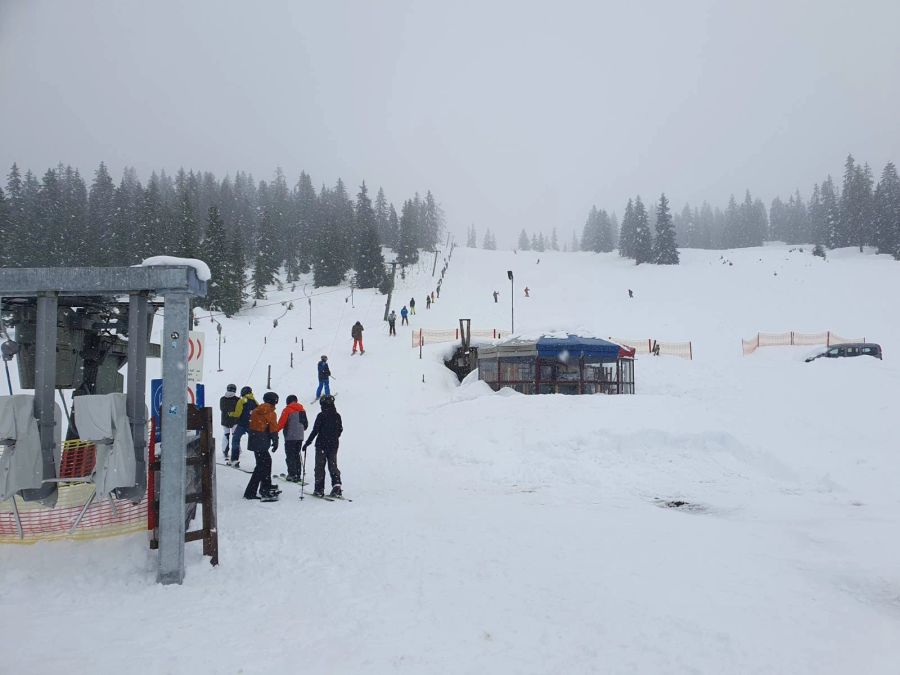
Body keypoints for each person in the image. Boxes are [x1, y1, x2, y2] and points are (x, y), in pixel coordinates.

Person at [303, 394, 343, 498]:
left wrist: (308, 442)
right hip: (334, 444)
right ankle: (337, 486)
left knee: (319, 467)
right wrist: (333, 436)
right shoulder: (337, 415)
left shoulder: (321, 415)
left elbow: (315, 430)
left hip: (321, 444)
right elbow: (340, 430)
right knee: (333, 465)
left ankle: (319, 489)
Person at [244, 391, 280, 500]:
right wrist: (275, 441)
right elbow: (273, 428)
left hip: (255, 439)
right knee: (261, 466)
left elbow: (249, 423)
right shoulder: (270, 412)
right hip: (262, 440)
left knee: (265, 462)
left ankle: (266, 485)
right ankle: (251, 492)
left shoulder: (256, 410)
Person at [277, 395, 308, 482]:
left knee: (290, 455)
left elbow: (281, 423)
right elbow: (305, 425)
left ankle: (292, 474)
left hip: (290, 436)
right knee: (296, 454)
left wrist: (274, 431)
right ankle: (298, 474)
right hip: (300, 437)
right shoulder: (302, 410)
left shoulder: (287, 410)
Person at [228, 386, 257, 467]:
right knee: (255, 443)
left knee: (235, 440)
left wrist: (231, 414)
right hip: (252, 425)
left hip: (242, 424)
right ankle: (260, 461)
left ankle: (234, 460)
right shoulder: (255, 401)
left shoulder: (242, 400)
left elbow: (237, 413)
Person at [219, 384, 238, 462]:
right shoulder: (237, 399)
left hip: (225, 420)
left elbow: (222, 408)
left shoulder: (222, 399)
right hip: (235, 420)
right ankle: (236, 451)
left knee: (226, 435)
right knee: (235, 436)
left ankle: (225, 451)